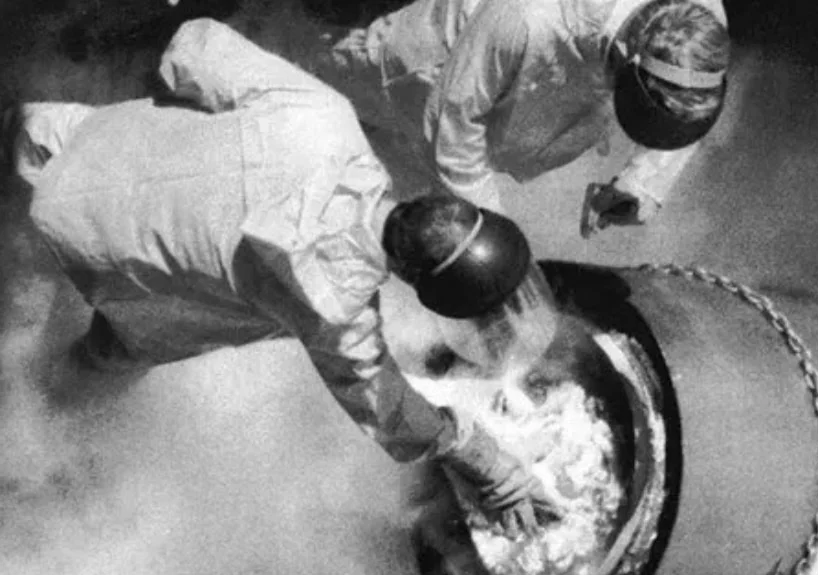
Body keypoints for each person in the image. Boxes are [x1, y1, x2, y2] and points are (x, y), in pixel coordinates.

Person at [15, 18, 558, 535]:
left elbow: (193, 47)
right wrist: (486, 464)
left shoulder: (325, 119)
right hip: (106, 255)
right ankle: (29, 433)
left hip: (85, 151)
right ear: (415, 282)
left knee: (25, 138)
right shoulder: (334, 306)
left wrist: (201, 137)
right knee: (113, 352)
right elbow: (386, 406)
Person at [311, 0, 731, 234]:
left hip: (514, 97)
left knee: (400, 201)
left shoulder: (698, 16)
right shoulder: (528, 15)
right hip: (416, 71)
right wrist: (497, 231)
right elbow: (453, 125)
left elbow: (688, 99)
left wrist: (642, 181)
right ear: (626, 58)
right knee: (314, 87)